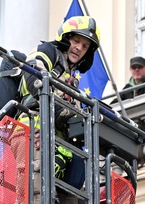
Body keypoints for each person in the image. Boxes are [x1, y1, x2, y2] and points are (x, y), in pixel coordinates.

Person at [10, 16, 101, 204]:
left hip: (60, 141)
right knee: (35, 191)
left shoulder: (72, 79)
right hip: (33, 129)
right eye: (76, 41)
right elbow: (34, 78)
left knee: (71, 195)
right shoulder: (46, 51)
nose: (79, 48)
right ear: (66, 39)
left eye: (85, 46)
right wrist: (65, 110)